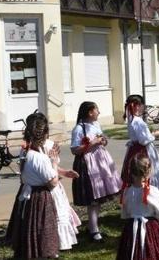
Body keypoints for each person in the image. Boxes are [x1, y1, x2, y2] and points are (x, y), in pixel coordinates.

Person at [6, 112, 61, 259]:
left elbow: (23, 179)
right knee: (41, 234)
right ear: (44, 135)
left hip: (29, 199)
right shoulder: (40, 158)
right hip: (40, 198)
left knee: (30, 231)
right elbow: (53, 183)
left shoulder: (25, 153)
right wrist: (54, 164)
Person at [70, 101, 122, 242]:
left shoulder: (96, 125)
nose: (98, 112)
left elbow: (102, 139)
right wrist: (92, 143)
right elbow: (74, 149)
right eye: (96, 110)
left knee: (98, 198)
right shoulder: (79, 129)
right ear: (90, 112)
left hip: (100, 161)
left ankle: (94, 226)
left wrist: (103, 141)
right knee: (93, 199)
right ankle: (93, 230)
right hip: (88, 164)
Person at [116, 156, 159, 260]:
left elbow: (125, 213)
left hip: (132, 228)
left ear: (131, 172)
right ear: (148, 172)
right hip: (151, 228)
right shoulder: (152, 191)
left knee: (131, 252)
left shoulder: (127, 192)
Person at [41, 132, 81, 252]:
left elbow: (54, 166)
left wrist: (64, 172)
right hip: (47, 186)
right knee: (54, 214)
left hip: (55, 185)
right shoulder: (32, 149)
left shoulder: (50, 144)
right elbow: (48, 167)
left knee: (60, 212)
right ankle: (52, 244)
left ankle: (62, 243)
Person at [121, 94, 159, 192]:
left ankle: (140, 190)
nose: (143, 108)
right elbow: (143, 140)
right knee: (145, 168)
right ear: (137, 106)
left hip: (135, 148)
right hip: (142, 149)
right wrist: (154, 135)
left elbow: (140, 137)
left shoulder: (131, 119)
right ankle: (148, 190)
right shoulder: (137, 121)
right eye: (142, 105)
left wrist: (149, 135)